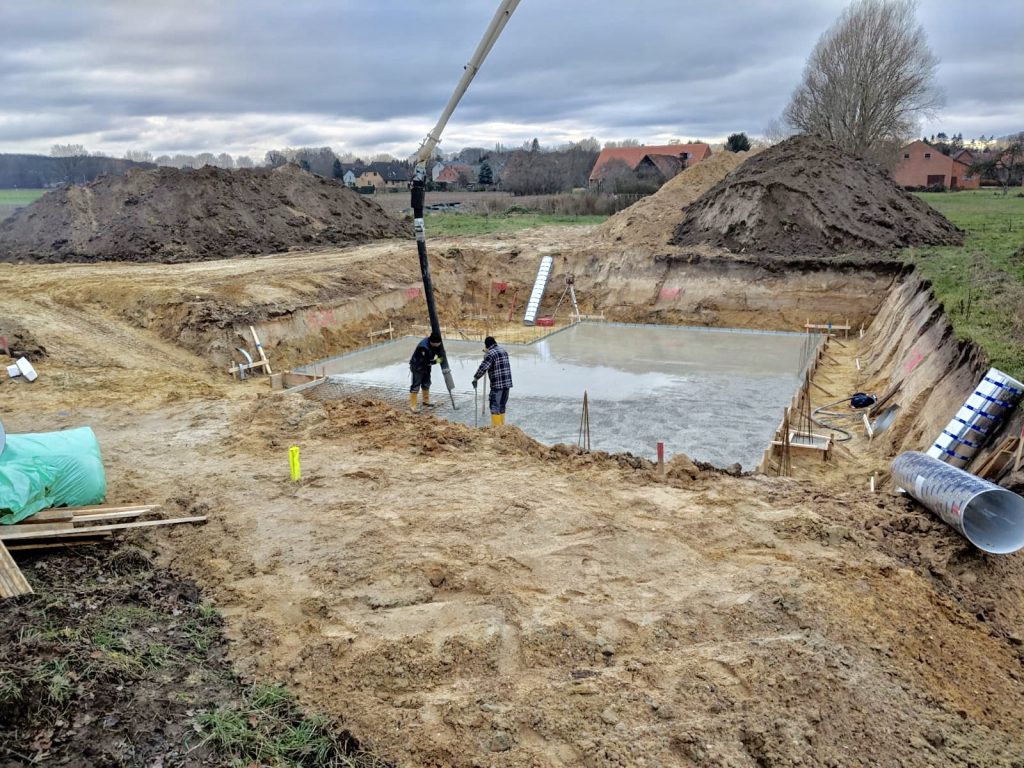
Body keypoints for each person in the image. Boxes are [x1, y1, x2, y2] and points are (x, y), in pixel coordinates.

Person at [472, 336, 512, 426]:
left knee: (494, 406)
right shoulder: (503, 350)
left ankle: (496, 430)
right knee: (502, 405)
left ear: (486, 345)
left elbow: (483, 368)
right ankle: (502, 427)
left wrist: (476, 378)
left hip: (497, 385)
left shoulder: (490, 354)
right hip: (507, 384)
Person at [409, 333, 444, 411]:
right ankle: (413, 405)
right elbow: (426, 361)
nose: (438, 345)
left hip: (427, 366)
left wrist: (440, 357)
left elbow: (439, 356)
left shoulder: (436, 344)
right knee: (416, 385)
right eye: (436, 344)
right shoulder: (423, 347)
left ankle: (426, 401)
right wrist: (436, 361)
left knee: (426, 383)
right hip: (418, 366)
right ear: (432, 342)